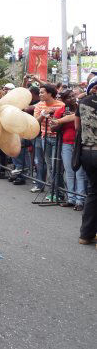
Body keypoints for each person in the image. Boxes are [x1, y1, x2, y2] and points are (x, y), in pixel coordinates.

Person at [50, 91, 87, 210]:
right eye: (68, 97)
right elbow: (53, 127)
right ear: (64, 100)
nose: (72, 99)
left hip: (80, 144)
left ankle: (80, 200)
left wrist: (70, 117)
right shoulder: (61, 110)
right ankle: (71, 199)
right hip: (66, 144)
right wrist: (62, 119)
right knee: (70, 173)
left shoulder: (82, 107)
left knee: (80, 173)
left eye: (73, 96)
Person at [31, 84, 65, 195]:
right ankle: (53, 190)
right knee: (50, 165)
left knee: (57, 166)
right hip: (44, 138)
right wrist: (42, 115)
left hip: (57, 138)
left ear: (50, 93)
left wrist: (52, 110)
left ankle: (58, 192)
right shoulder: (39, 105)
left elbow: (64, 116)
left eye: (42, 92)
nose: (40, 94)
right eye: (40, 92)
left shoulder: (61, 104)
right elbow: (35, 122)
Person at [75, 76, 97, 245]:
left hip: (86, 152)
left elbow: (77, 127)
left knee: (93, 192)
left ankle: (86, 235)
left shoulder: (83, 102)